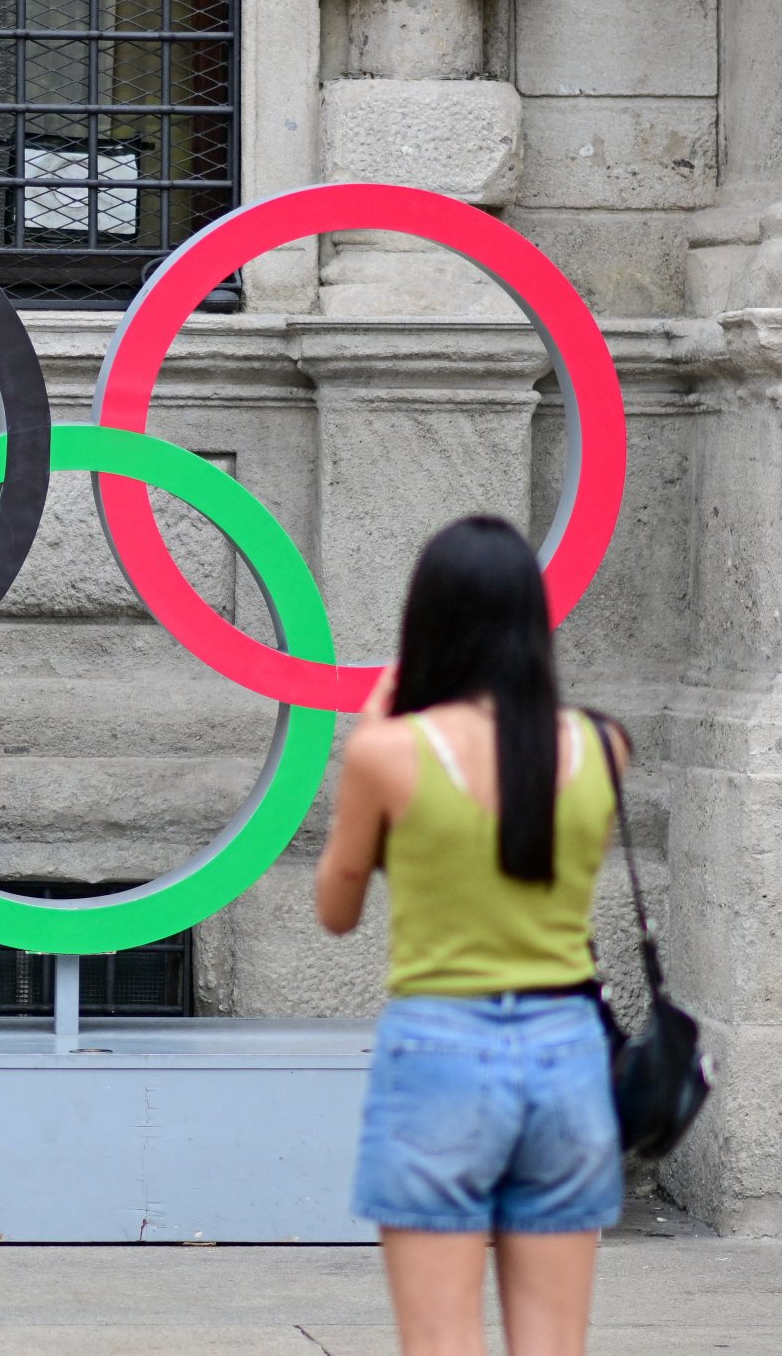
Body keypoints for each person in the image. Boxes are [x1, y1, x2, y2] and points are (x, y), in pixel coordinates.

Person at [315, 515, 626, 1356]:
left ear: (429, 623)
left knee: (441, 1341)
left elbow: (336, 912)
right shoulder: (603, 747)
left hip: (440, 1048)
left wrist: (370, 736)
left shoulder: (389, 755)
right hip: (568, 1049)